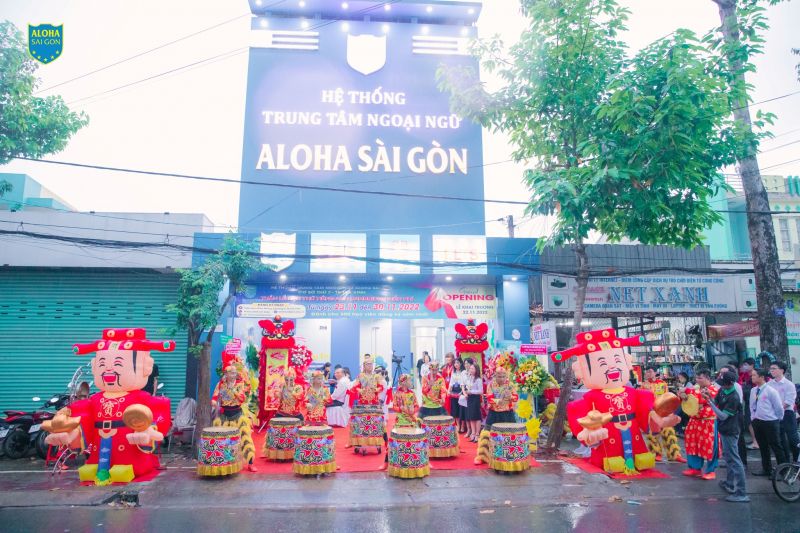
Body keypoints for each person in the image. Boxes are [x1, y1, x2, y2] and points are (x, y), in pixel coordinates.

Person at [44, 328, 174, 485]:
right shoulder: (95, 399)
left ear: (145, 367)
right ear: (94, 367)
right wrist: (74, 435)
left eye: (118, 363)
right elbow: (85, 420)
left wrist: (148, 431)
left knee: (128, 462)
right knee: (97, 460)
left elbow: (156, 417)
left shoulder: (140, 398)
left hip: (128, 448)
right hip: (100, 443)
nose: (109, 370)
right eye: (103, 364)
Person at [553, 329, 679, 475]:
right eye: (602, 364)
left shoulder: (632, 392)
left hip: (632, 429)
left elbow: (646, 409)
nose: (612, 368)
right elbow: (580, 414)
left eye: (617, 361)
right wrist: (588, 433)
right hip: (609, 431)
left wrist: (660, 420)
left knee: (636, 449)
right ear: (583, 370)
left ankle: (635, 463)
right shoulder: (593, 396)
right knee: (611, 455)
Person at [705, 371, 749, 502]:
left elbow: (723, 415)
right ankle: (729, 483)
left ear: (730, 384)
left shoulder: (734, 397)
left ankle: (741, 492)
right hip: (724, 428)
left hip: (731, 430)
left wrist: (710, 404)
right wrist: (709, 398)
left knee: (735, 460)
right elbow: (716, 401)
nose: (721, 386)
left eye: (723, 384)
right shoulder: (724, 391)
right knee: (729, 457)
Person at [212, 365, 257, 472]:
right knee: (222, 439)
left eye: (234, 373)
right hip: (224, 415)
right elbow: (214, 397)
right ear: (226, 374)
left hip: (237, 414)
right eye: (231, 373)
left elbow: (242, 399)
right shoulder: (220, 385)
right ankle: (222, 462)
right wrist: (214, 403)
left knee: (245, 438)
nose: (233, 375)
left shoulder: (239, 385)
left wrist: (232, 389)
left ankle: (250, 463)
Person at [680, 369, 722, 480]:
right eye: (697, 378)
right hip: (694, 421)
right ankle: (695, 468)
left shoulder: (713, 389)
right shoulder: (695, 388)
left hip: (708, 421)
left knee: (710, 446)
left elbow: (701, 398)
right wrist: (683, 396)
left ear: (708, 378)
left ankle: (711, 470)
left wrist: (687, 392)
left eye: (700, 378)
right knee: (692, 444)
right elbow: (688, 400)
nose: (697, 380)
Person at [641, 366, 685, 463]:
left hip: (665, 411)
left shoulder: (663, 383)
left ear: (655, 372)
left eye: (650, 371)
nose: (647, 373)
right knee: (654, 433)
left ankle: (674, 454)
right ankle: (657, 453)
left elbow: (667, 396)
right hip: (652, 411)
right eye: (646, 372)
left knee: (669, 432)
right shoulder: (643, 385)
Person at [750, 367, 788, 476]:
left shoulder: (771, 391)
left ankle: (783, 471)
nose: (752, 377)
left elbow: (779, 408)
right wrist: (753, 418)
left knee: (776, 446)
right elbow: (751, 406)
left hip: (770, 422)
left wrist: (777, 419)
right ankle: (766, 469)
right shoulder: (754, 390)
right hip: (757, 421)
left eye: (754, 375)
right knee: (763, 446)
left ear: (761, 377)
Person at [768, 361, 799, 462]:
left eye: (774, 368)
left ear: (781, 370)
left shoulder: (789, 384)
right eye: (771, 369)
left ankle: (796, 461)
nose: (771, 371)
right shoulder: (769, 384)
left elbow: (789, 402)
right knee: (780, 440)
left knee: (792, 439)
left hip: (787, 414)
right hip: (774, 415)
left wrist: (778, 409)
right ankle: (785, 464)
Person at [718, 364, 747, 467]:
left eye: (724, 373)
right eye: (720, 373)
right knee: (726, 443)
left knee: (737, 441)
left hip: (734, 416)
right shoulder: (722, 386)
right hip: (725, 415)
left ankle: (741, 462)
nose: (721, 375)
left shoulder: (735, 388)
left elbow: (735, 404)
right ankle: (729, 462)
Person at [461, 359, 483, 442]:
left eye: (472, 369)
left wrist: (471, 392)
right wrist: (466, 392)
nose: (470, 370)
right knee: (471, 417)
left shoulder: (478, 379)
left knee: (476, 417)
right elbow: (466, 386)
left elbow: (480, 391)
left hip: (475, 399)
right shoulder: (469, 378)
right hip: (469, 398)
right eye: (470, 369)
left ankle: (477, 434)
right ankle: (473, 433)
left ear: (476, 370)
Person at [447, 358, 466, 433]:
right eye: (455, 363)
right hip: (454, 392)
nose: (456, 364)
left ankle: (462, 426)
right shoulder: (453, 372)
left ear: (461, 364)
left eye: (457, 363)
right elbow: (451, 382)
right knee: (455, 410)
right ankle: (458, 425)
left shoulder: (463, 372)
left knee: (462, 409)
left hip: (461, 391)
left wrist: (462, 392)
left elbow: (464, 383)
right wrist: (449, 390)